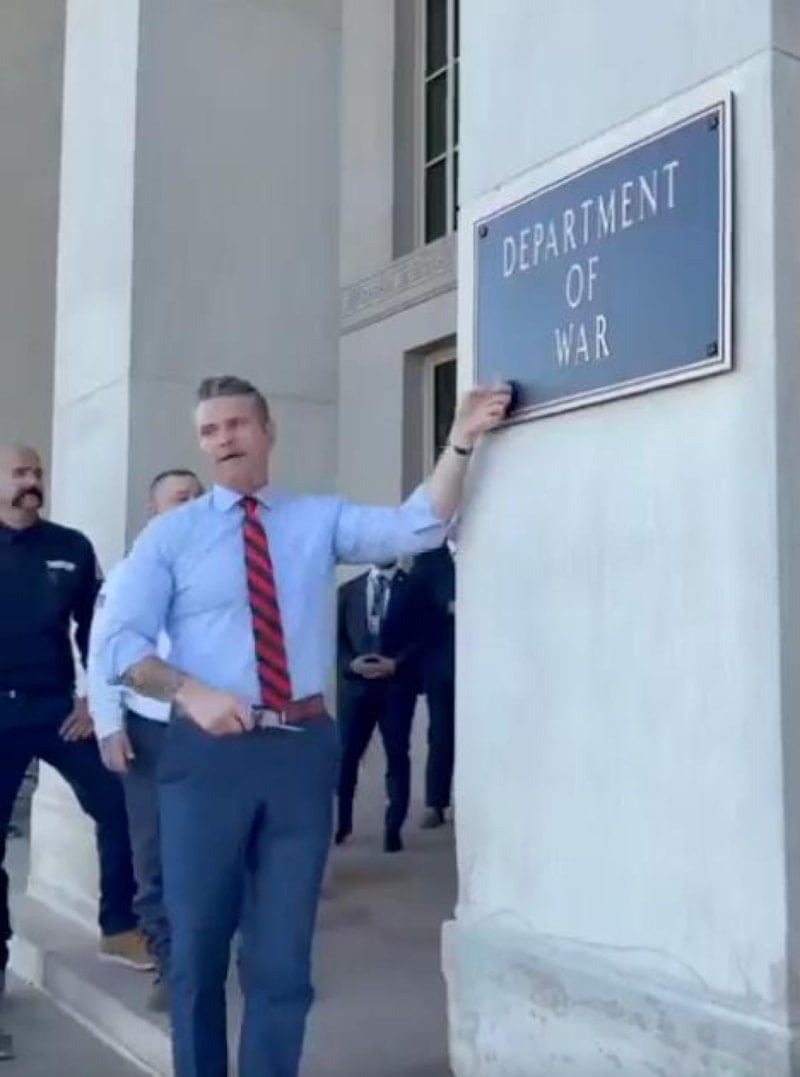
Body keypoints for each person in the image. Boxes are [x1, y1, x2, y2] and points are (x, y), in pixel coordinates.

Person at [98, 374, 510, 1077]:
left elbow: (417, 525)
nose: (223, 439)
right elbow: (119, 645)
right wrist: (189, 690)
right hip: (206, 759)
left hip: (299, 752)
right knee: (197, 954)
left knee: (283, 960)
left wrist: (460, 441)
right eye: (209, 430)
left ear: (267, 430)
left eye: (236, 424)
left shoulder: (316, 519)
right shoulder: (170, 535)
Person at [0, 446, 151, 993]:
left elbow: (98, 633)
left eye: (37, 472)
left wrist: (94, 699)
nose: (31, 481)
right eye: (19, 473)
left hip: (59, 710)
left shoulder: (71, 547)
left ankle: (120, 926)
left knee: (120, 799)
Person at [88, 468, 203, 1011]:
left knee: (213, 849)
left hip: (211, 726)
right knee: (154, 853)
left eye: (199, 496)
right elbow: (103, 652)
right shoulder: (130, 573)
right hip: (150, 730)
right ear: (155, 509)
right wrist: (109, 725)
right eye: (181, 498)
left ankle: (210, 954)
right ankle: (169, 962)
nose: (193, 504)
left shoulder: (223, 563)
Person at [335, 558, 425, 852]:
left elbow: (425, 637)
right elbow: (336, 640)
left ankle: (393, 828)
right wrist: (351, 664)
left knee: (397, 755)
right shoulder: (349, 590)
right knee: (346, 756)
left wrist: (397, 663)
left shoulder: (413, 589)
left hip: (396, 689)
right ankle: (342, 823)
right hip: (355, 689)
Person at [409, 539, 456, 829]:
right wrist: (446, 607)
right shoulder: (428, 559)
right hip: (442, 664)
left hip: (485, 664)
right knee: (441, 733)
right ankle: (436, 803)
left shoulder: (489, 548)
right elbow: (415, 609)